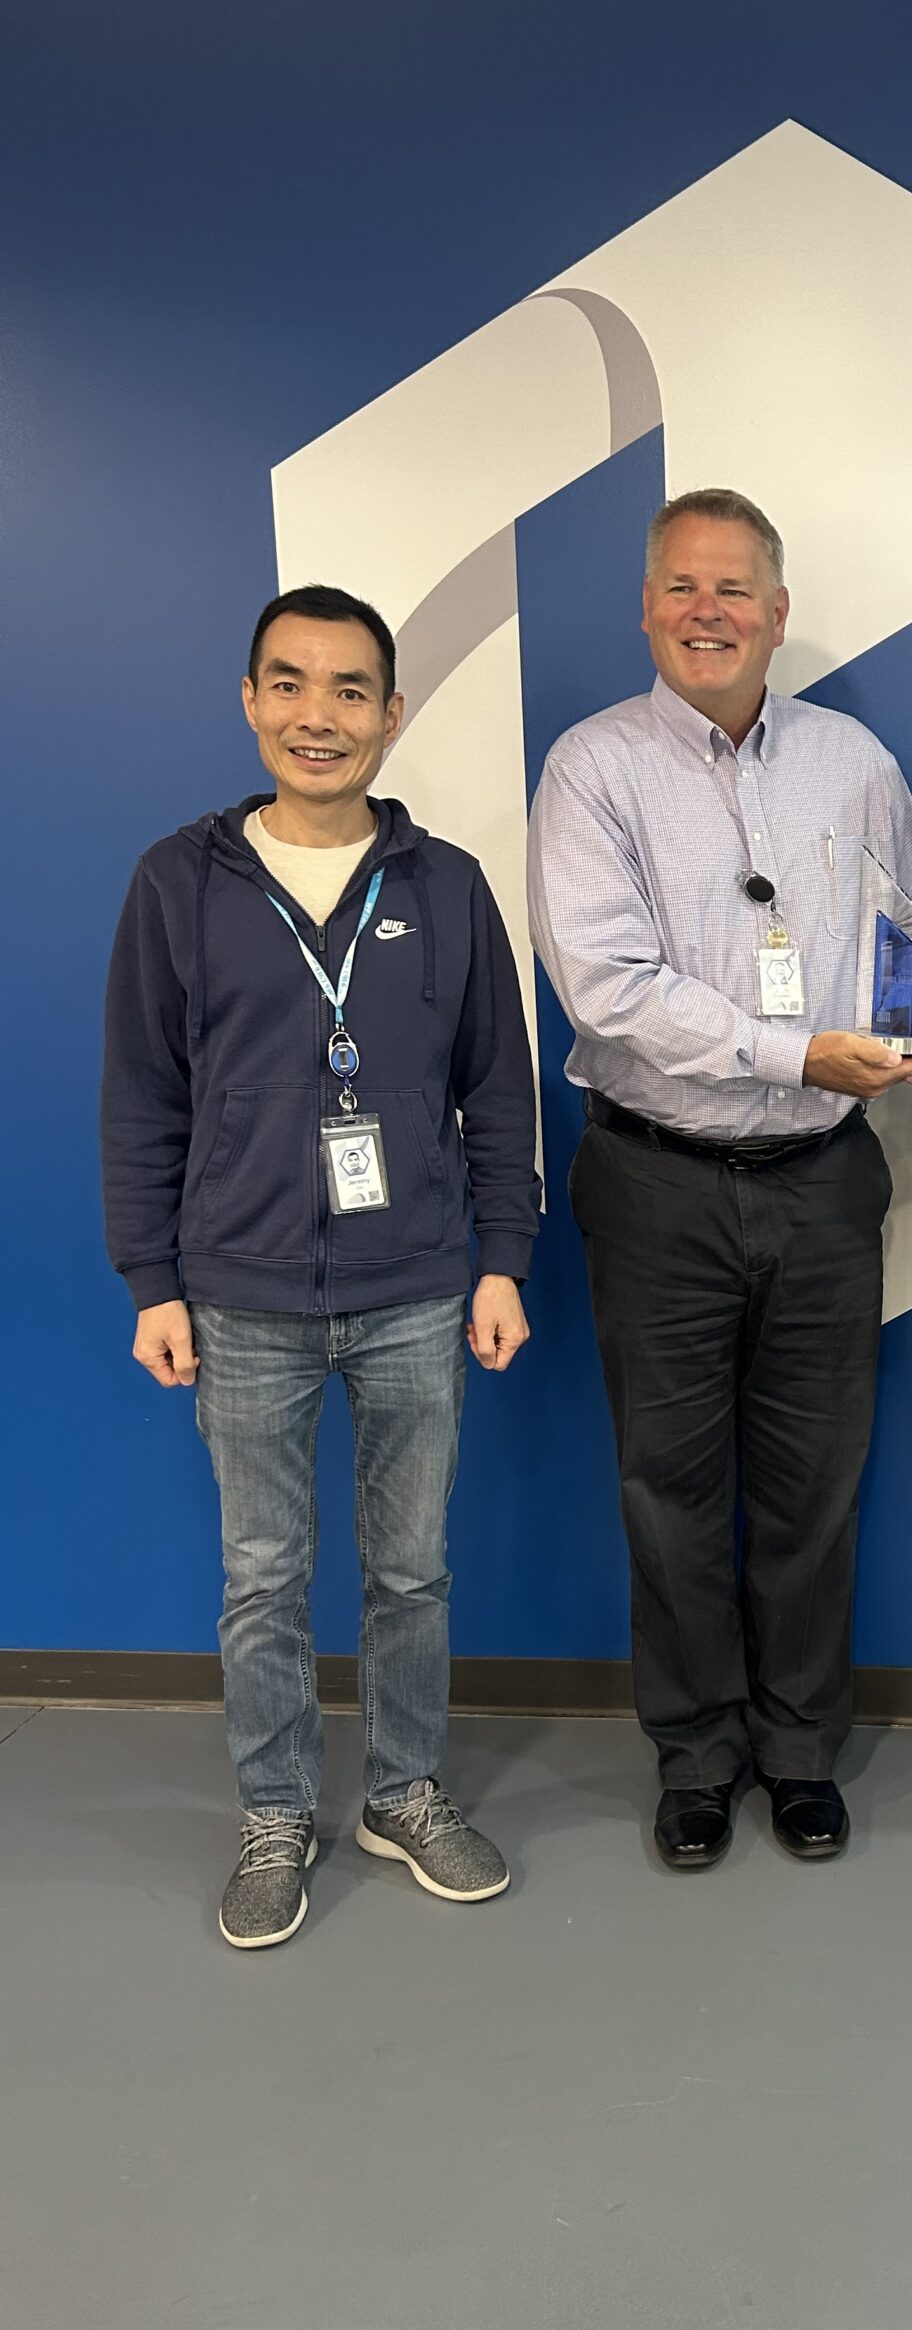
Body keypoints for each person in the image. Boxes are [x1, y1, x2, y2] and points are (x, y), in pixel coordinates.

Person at [102, 584, 540, 1948]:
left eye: (351, 690)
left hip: (416, 1287)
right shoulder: (178, 882)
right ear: (250, 700)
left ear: (391, 715)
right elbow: (141, 1098)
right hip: (239, 1296)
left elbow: (499, 1089)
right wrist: (152, 1281)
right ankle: (277, 1812)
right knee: (263, 1577)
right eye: (289, 683)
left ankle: (402, 1794)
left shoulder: (446, 887)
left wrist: (503, 1258)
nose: (319, 716)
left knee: (411, 1570)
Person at [527, 489, 912, 1871]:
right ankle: (698, 1755)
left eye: (733, 590)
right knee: (670, 1489)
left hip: (825, 1179)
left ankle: (799, 1749)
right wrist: (796, 1051)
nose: (707, 612)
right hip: (658, 1181)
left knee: (816, 1481)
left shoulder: (853, 760)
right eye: (682, 587)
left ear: (778, 613)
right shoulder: (593, 769)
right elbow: (606, 987)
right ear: (647, 608)